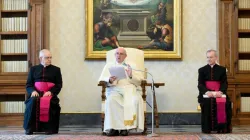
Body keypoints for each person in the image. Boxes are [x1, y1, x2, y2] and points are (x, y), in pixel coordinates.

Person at [98, 47, 144, 136]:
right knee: (111, 100)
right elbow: (102, 79)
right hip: (114, 89)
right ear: (115, 55)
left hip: (129, 89)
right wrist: (110, 80)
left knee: (134, 100)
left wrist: (131, 76)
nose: (118, 55)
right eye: (117, 53)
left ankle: (125, 128)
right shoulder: (109, 65)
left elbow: (139, 82)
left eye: (121, 54)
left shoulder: (132, 66)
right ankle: (113, 128)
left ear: (125, 56)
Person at [23, 49, 63, 135]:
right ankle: (30, 128)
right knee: (32, 102)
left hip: (49, 94)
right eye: (47, 58)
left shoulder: (56, 70)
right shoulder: (33, 69)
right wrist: (32, 91)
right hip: (36, 93)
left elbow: (59, 85)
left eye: (50, 57)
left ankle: (49, 129)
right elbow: (29, 84)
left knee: (50, 102)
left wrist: (51, 92)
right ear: (41, 58)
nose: (49, 59)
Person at [197, 49, 232, 133]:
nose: (209, 59)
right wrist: (207, 92)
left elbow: (224, 83)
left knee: (225, 103)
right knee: (207, 103)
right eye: (207, 57)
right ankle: (207, 128)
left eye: (211, 57)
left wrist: (221, 92)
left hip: (219, 92)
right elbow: (200, 84)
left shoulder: (222, 69)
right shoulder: (201, 70)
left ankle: (221, 128)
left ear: (216, 57)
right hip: (207, 93)